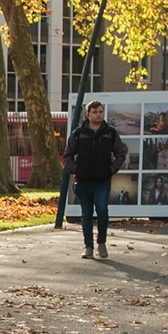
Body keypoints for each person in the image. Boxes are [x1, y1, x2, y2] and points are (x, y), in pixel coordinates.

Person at [62, 100, 127, 259]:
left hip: (102, 180)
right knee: (86, 214)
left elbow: (120, 153)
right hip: (84, 180)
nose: (98, 114)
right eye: (95, 112)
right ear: (88, 114)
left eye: (100, 112)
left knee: (102, 209)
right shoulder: (79, 134)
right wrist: (76, 169)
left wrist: (111, 169)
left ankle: (102, 243)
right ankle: (88, 246)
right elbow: (68, 154)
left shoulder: (110, 133)